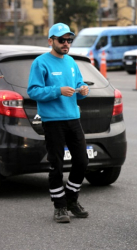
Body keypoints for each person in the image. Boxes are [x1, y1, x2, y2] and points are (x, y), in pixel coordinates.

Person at [27, 23, 90, 223]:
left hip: (73, 118)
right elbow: (33, 91)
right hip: (53, 121)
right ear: (50, 41)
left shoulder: (71, 62)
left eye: (69, 40)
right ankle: (60, 207)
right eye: (61, 40)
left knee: (82, 161)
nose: (66, 44)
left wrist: (83, 89)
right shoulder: (40, 63)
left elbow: (78, 84)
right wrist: (57, 90)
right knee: (57, 165)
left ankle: (71, 199)